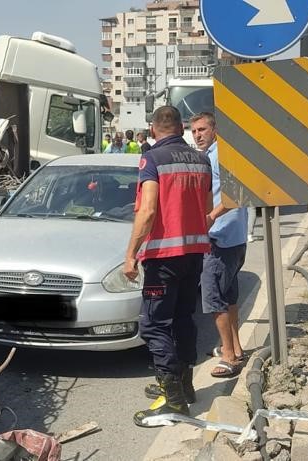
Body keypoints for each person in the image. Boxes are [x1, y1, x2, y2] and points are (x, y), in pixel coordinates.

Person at [124, 106, 212, 428]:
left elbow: (147, 211)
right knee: (183, 319)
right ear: (181, 128)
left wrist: (130, 254)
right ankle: (184, 385)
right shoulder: (200, 160)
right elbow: (206, 208)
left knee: (154, 325)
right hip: (194, 254)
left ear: (153, 128)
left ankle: (172, 400)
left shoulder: (152, 160)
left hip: (163, 258)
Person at [190, 112, 248, 378]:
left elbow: (235, 191)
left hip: (220, 237)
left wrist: (210, 217)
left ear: (214, 130)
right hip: (232, 236)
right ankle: (235, 349)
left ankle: (227, 356)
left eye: (202, 129)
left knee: (213, 299)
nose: (198, 135)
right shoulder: (219, 154)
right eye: (194, 131)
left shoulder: (217, 156)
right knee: (228, 297)